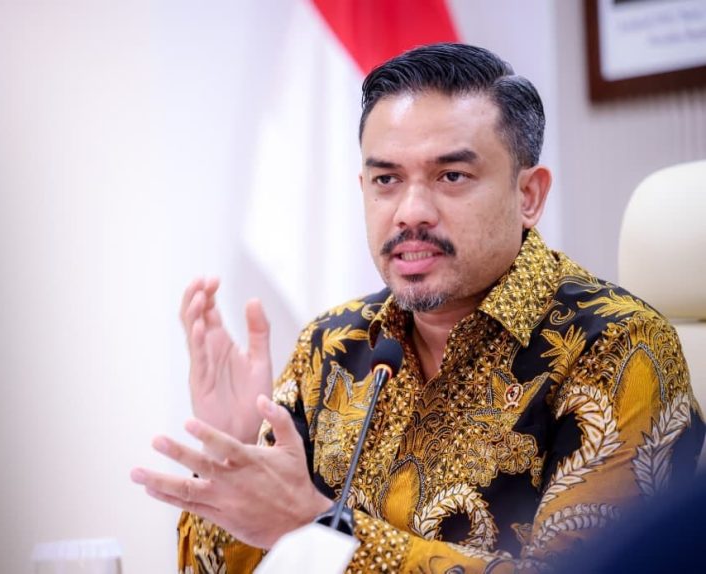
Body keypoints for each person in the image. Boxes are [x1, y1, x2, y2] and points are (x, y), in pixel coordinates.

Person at [130, 43, 705, 573]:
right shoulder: (332, 344)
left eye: (451, 176)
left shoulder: (617, 347)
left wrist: (319, 527)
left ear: (528, 195)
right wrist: (232, 449)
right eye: (386, 179)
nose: (410, 211)